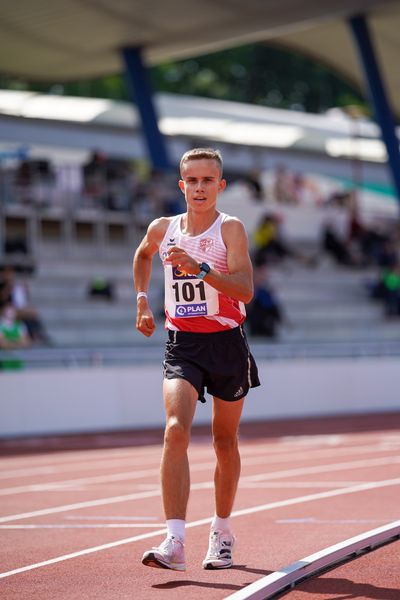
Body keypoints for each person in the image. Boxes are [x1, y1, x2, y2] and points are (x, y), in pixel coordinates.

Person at [133, 148, 260, 572]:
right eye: (193, 180)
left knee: (225, 442)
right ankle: (174, 540)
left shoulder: (232, 229)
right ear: (181, 185)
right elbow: (142, 254)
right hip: (182, 343)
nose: (200, 187)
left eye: (208, 180)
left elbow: (245, 291)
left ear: (220, 186)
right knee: (175, 430)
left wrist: (201, 269)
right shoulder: (163, 228)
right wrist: (142, 302)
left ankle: (222, 531)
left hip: (227, 344)